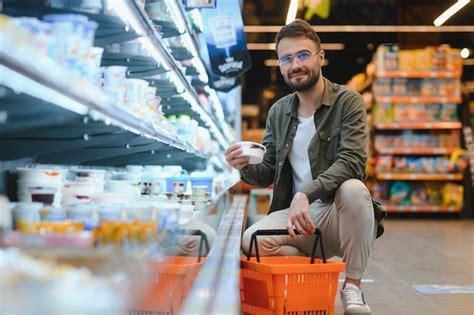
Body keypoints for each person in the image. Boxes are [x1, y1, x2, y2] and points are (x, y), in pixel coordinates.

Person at [225, 19, 385, 315]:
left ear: (320, 57)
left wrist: (305, 194)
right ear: (280, 65)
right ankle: (317, 266)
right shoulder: (279, 111)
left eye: (302, 55)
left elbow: (351, 162)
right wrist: (244, 165)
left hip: (336, 213)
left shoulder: (347, 102)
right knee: (251, 241)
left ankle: (352, 287)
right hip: (297, 218)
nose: (295, 64)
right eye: (286, 58)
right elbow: (267, 171)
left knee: (353, 189)